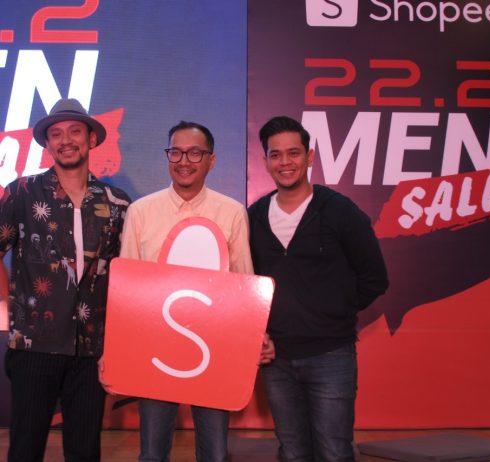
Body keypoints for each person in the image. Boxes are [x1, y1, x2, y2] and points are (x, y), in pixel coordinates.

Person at [119, 120, 274, 462]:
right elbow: (125, 290)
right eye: (175, 152)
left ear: (211, 160)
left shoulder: (231, 212)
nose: (184, 161)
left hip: (215, 347)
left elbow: (243, 280)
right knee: (152, 452)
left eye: (194, 153)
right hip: (154, 347)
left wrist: (253, 336)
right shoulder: (141, 212)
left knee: (215, 453)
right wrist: (117, 350)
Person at [248, 116, 389, 462]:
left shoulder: (340, 211)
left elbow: (375, 277)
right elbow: (245, 284)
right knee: (292, 452)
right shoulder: (253, 217)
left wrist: (332, 313)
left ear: (309, 156)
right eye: (276, 155)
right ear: (265, 161)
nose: (285, 162)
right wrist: (259, 332)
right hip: (277, 360)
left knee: (334, 452)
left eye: (293, 153)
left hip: (331, 355)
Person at [0, 98, 131, 461]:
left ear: (92, 139)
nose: (66, 140)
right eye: (56, 134)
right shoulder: (22, 192)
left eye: (75, 131)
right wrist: (9, 305)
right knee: (25, 449)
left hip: (92, 350)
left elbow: (127, 274)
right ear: (47, 143)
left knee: (85, 451)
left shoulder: (117, 202)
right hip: (33, 346)